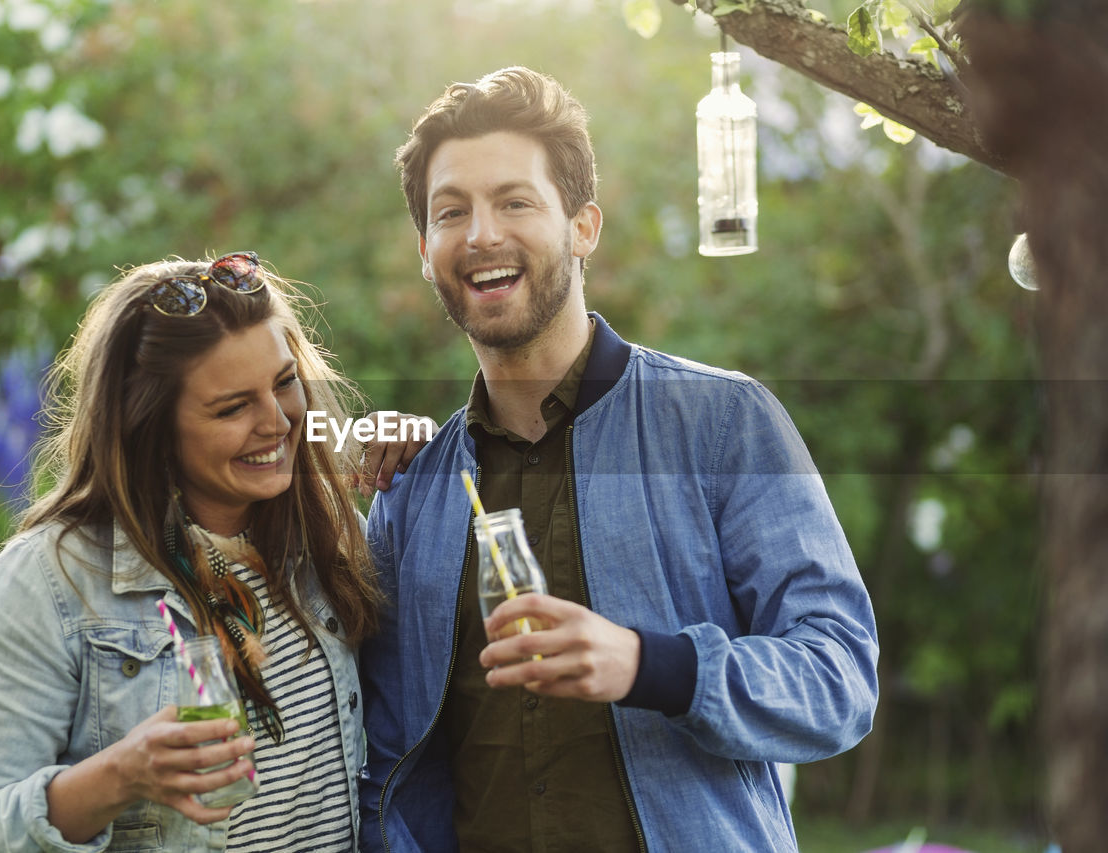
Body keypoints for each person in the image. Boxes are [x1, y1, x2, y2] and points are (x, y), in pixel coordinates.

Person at [358, 67, 879, 852]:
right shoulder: (409, 491)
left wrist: (651, 664)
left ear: (583, 226)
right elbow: (379, 752)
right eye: (452, 212)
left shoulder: (722, 422)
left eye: (516, 201)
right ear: (425, 250)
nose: (482, 235)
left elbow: (838, 676)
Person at [0, 252, 431, 852]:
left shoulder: (323, 533)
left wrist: (422, 450)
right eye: (232, 407)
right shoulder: (49, 581)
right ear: (151, 426)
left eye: (284, 382)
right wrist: (118, 776)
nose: (276, 422)